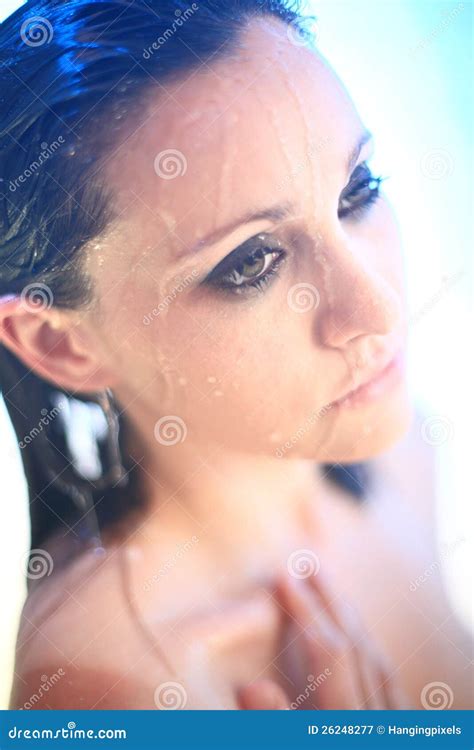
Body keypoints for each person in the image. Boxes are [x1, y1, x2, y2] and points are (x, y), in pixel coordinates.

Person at [0, 0, 471, 710]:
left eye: (358, 191)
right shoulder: (108, 683)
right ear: (62, 344)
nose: (375, 312)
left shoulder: (407, 455)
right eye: (252, 262)